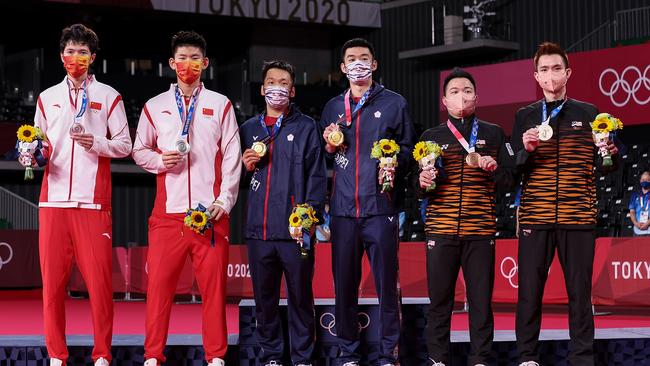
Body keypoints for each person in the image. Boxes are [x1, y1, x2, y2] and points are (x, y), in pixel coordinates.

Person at [132, 31, 241, 366]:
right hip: (168, 214)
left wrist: (224, 201)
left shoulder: (220, 105)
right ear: (171, 63)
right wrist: (158, 159)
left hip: (209, 214)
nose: (188, 64)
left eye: (195, 58)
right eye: (182, 58)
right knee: (159, 292)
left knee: (213, 292)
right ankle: (153, 356)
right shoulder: (155, 106)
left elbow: (232, 155)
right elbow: (138, 150)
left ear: (205, 64)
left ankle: (216, 357)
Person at [26, 23, 132, 366]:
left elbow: (126, 145)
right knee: (52, 287)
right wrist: (32, 154)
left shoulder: (109, 96)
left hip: (92, 202)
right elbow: (38, 144)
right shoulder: (47, 98)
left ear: (93, 58)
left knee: (100, 287)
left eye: (83, 52)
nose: (76, 58)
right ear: (61, 57)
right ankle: (57, 356)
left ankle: (102, 355)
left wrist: (96, 143)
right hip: (53, 202)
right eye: (70, 52)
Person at [510, 42, 620, 366]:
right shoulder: (524, 116)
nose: (551, 75)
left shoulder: (589, 113)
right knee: (529, 293)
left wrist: (610, 156)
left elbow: (606, 168)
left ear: (568, 73)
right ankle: (528, 358)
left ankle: (582, 358)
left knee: (579, 295)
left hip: (578, 217)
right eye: (544, 70)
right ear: (536, 75)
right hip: (535, 217)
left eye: (556, 68)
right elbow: (511, 171)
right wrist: (524, 151)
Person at [320, 38, 415, 366]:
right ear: (343, 68)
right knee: (344, 288)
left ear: (374, 65)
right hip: (344, 212)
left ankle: (389, 355)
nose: (358, 63)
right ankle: (348, 354)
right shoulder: (333, 107)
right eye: (351, 59)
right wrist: (329, 146)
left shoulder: (395, 103)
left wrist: (395, 159)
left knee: (388, 288)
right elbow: (327, 153)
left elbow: (408, 148)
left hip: (381, 209)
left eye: (364, 58)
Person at [417, 68, 514, 366]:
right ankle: (437, 359)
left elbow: (510, 181)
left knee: (481, 303)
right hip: (441, 230)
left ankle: (481, 359)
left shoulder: (494, 133)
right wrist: (421, 180)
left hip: (480, 230)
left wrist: (493, 168)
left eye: (467, 91)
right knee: (439, 303)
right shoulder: (430, 137)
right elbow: (417, 188)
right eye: (455, 92)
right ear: (444, 100)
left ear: (477, 97)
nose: (462, 96)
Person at [239, 60, 327, 366]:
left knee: (301, 298)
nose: (277, 87)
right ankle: (273, 356)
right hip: (259, 232)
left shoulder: (306, 127)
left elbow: (317, 176)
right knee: (264, 301)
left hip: (295, 231)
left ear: (292, 90)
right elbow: (234, 179)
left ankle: (303, 357)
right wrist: (244, 167)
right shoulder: (249, 128)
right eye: (272, 81)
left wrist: (310, 217)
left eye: (284, 82)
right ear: (262, 89)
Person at [629, 171, 650, 236]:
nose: (645, 181)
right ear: (640, 181)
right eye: (643, 179)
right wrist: (636, 223)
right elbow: (632, 211)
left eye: (647, 180)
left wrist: (647, 223)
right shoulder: (635, 195)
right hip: (637, 229)